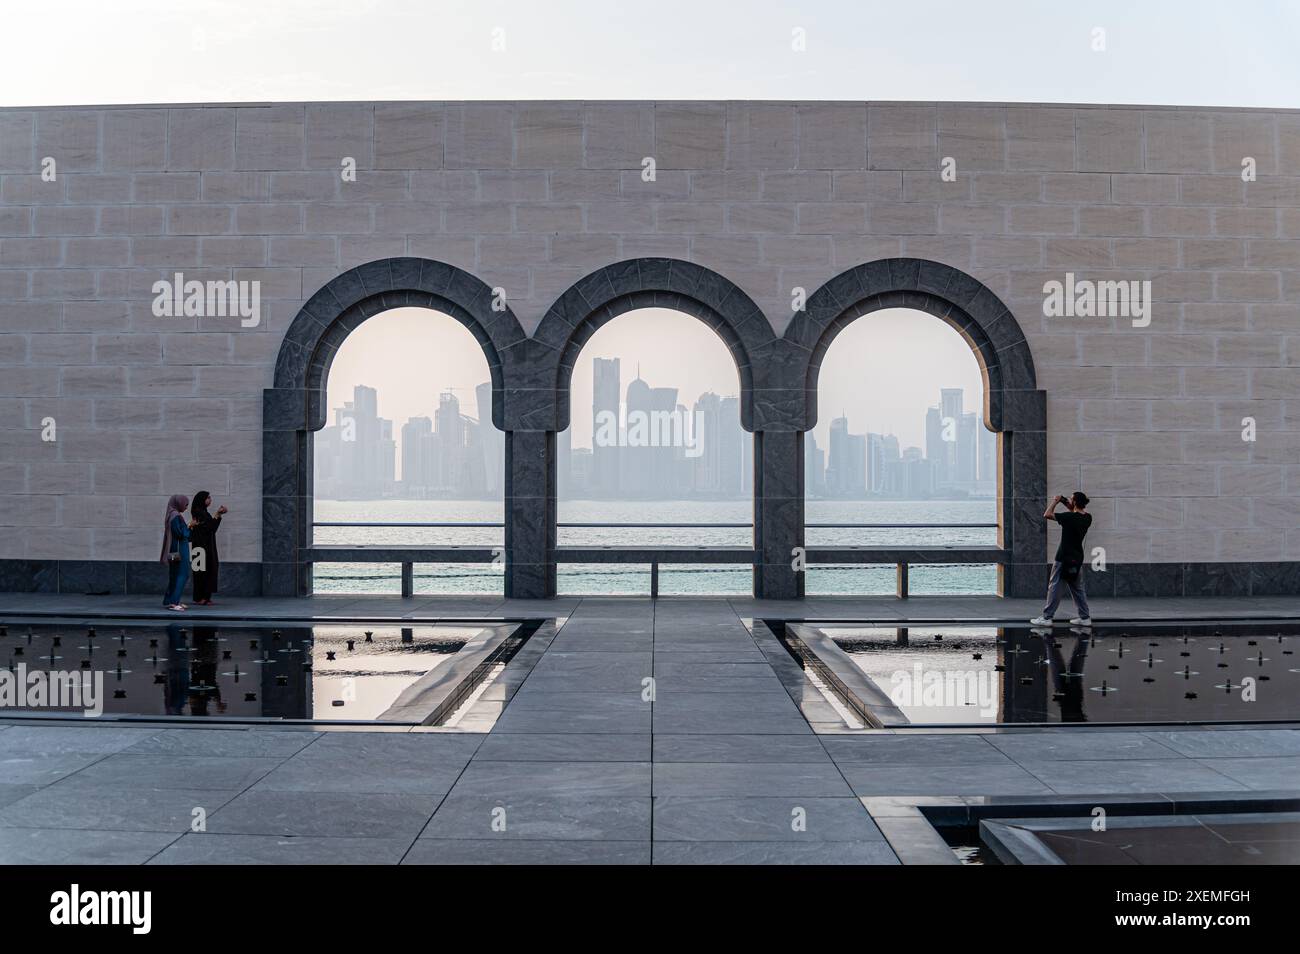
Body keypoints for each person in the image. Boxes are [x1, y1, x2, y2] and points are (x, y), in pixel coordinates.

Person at [1030, 491, 1093, 627]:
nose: (1069, 502)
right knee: (1077, 588)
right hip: (1077, 558)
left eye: (1071, 499)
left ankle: (1047, 617)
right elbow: (1074, 511)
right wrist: (1066, 501)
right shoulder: (1087, 518)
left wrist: (1056, 501)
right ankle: (1085, 617)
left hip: (1063, 558)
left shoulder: (1069, 518)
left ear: (1075, 502)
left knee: (1054, 587)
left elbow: (1047, 514)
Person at [189, 491, 227, 605]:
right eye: (208, 498)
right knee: (201, 572)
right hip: (201, 547)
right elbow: (210, 527)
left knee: (205, 571)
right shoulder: (199, 512)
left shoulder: (202, 512)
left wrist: (218, 515)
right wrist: (218, 514)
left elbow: (210, 527)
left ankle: (204, 597)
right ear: (202, 499)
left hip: (203, 546)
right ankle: (201, 598)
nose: (210, 500)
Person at [160, 493, 191, 611]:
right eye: (185, 504)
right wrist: (190, 527)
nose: (186, 507)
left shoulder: (171, 514)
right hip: (179, 550)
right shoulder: (176, 516)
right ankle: (174, 602)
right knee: (182, 574)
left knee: (174, 574)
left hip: (173, 550)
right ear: (179, 503)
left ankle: (170, 600)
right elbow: (182, 533)